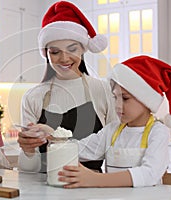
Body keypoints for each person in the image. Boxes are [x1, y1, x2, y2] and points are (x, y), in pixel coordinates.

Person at [52, 55, 171, 188]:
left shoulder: (157, 132)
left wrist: (95, 179)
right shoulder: (112, 130)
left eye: (125, 98)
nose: (118, 105)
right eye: (115, 97)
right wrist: (52, 138)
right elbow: (81, 149)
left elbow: (149, 174)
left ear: (146, 101)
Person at [17, 1, 118, 173]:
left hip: (91, 191)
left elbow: (115, 152)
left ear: (83, 50)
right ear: (47, 54)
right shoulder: (33, 97)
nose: (64, 58)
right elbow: (29, 172)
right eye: (55, 52)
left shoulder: (103, 90)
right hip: (46, 192)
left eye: (72, 49)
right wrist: (27, 151)